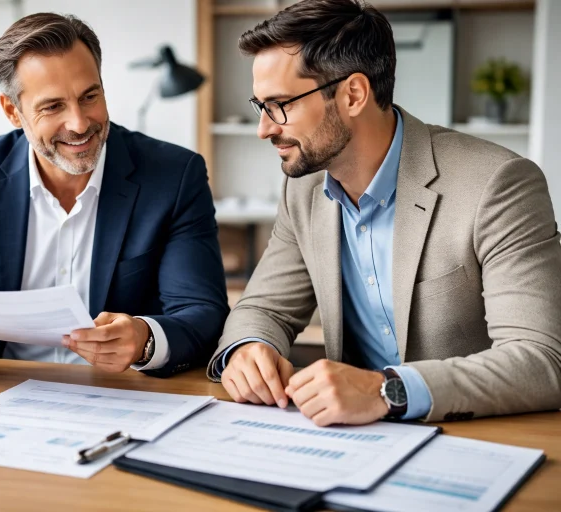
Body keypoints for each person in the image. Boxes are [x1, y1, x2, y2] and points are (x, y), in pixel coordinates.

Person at [209, 0, 561, 424]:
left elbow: (542, 360)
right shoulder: (303, 187)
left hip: (473, 436)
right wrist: (250, 348)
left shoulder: (497, 184)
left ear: (353, 94)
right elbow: (265, 308)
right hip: (347, 439)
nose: (265, 127)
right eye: (260, 106)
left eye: (280, 104)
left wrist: (386, 390)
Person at [0, 13, 229, 377]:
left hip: (121, 392)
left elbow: (203, 313)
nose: (79, 123)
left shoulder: (173, 175)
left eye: (90, 96)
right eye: (53, 106)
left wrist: (146, 339)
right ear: (13, 111)